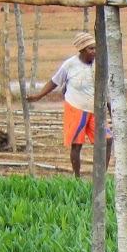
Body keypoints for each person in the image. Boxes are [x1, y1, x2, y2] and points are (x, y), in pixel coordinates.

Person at [27, 32, 112, 178]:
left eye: (95, 48)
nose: (94, 52)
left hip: (95, 110)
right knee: (77, 144)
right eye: (90, 49)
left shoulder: (99, 64)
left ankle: (101, 176)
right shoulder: (70, 65)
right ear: (82, 50)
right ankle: (76, 176)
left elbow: (105, 89)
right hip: (76, 108)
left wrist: (111, 111)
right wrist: (38, 96)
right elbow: (54, 81)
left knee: (108, 139)